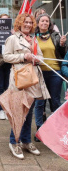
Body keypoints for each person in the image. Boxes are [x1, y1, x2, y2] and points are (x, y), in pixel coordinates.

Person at [3, 13, 50, 160]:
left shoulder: (34, 40)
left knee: (29, 113)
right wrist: (24, 57)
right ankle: (13, 142)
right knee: (18, 112)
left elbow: (41, 56)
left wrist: (37, 59)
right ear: (19, 23)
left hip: (33, 79)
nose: (28, 25)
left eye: (30, 23)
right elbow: (6, 56)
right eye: (26, 22)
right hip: (20, 79)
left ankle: (26, 141)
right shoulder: (12, 38)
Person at [34, 13, 66, 142]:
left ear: (49, 24)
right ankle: (40, 130)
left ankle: (57, 129)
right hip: (39, 73)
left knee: (55, 102)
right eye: (42, 21)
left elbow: (62, 54)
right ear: (38, 23)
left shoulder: (56, 36)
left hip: (54, 72)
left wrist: (62, 45)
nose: (44, 23)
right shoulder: (32, 38)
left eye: (47, 21)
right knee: (39, 103)